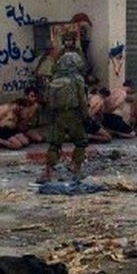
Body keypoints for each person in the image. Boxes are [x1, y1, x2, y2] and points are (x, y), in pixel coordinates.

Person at [41, 52, 89, 182]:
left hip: (57, 115)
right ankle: (76, 169)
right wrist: (86, 116)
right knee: (81, 142)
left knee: (54, 145)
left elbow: (48, 100)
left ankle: (47, 173)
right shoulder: (77, 79)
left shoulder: (55, 79)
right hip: (73, 115)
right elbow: (82, 100)